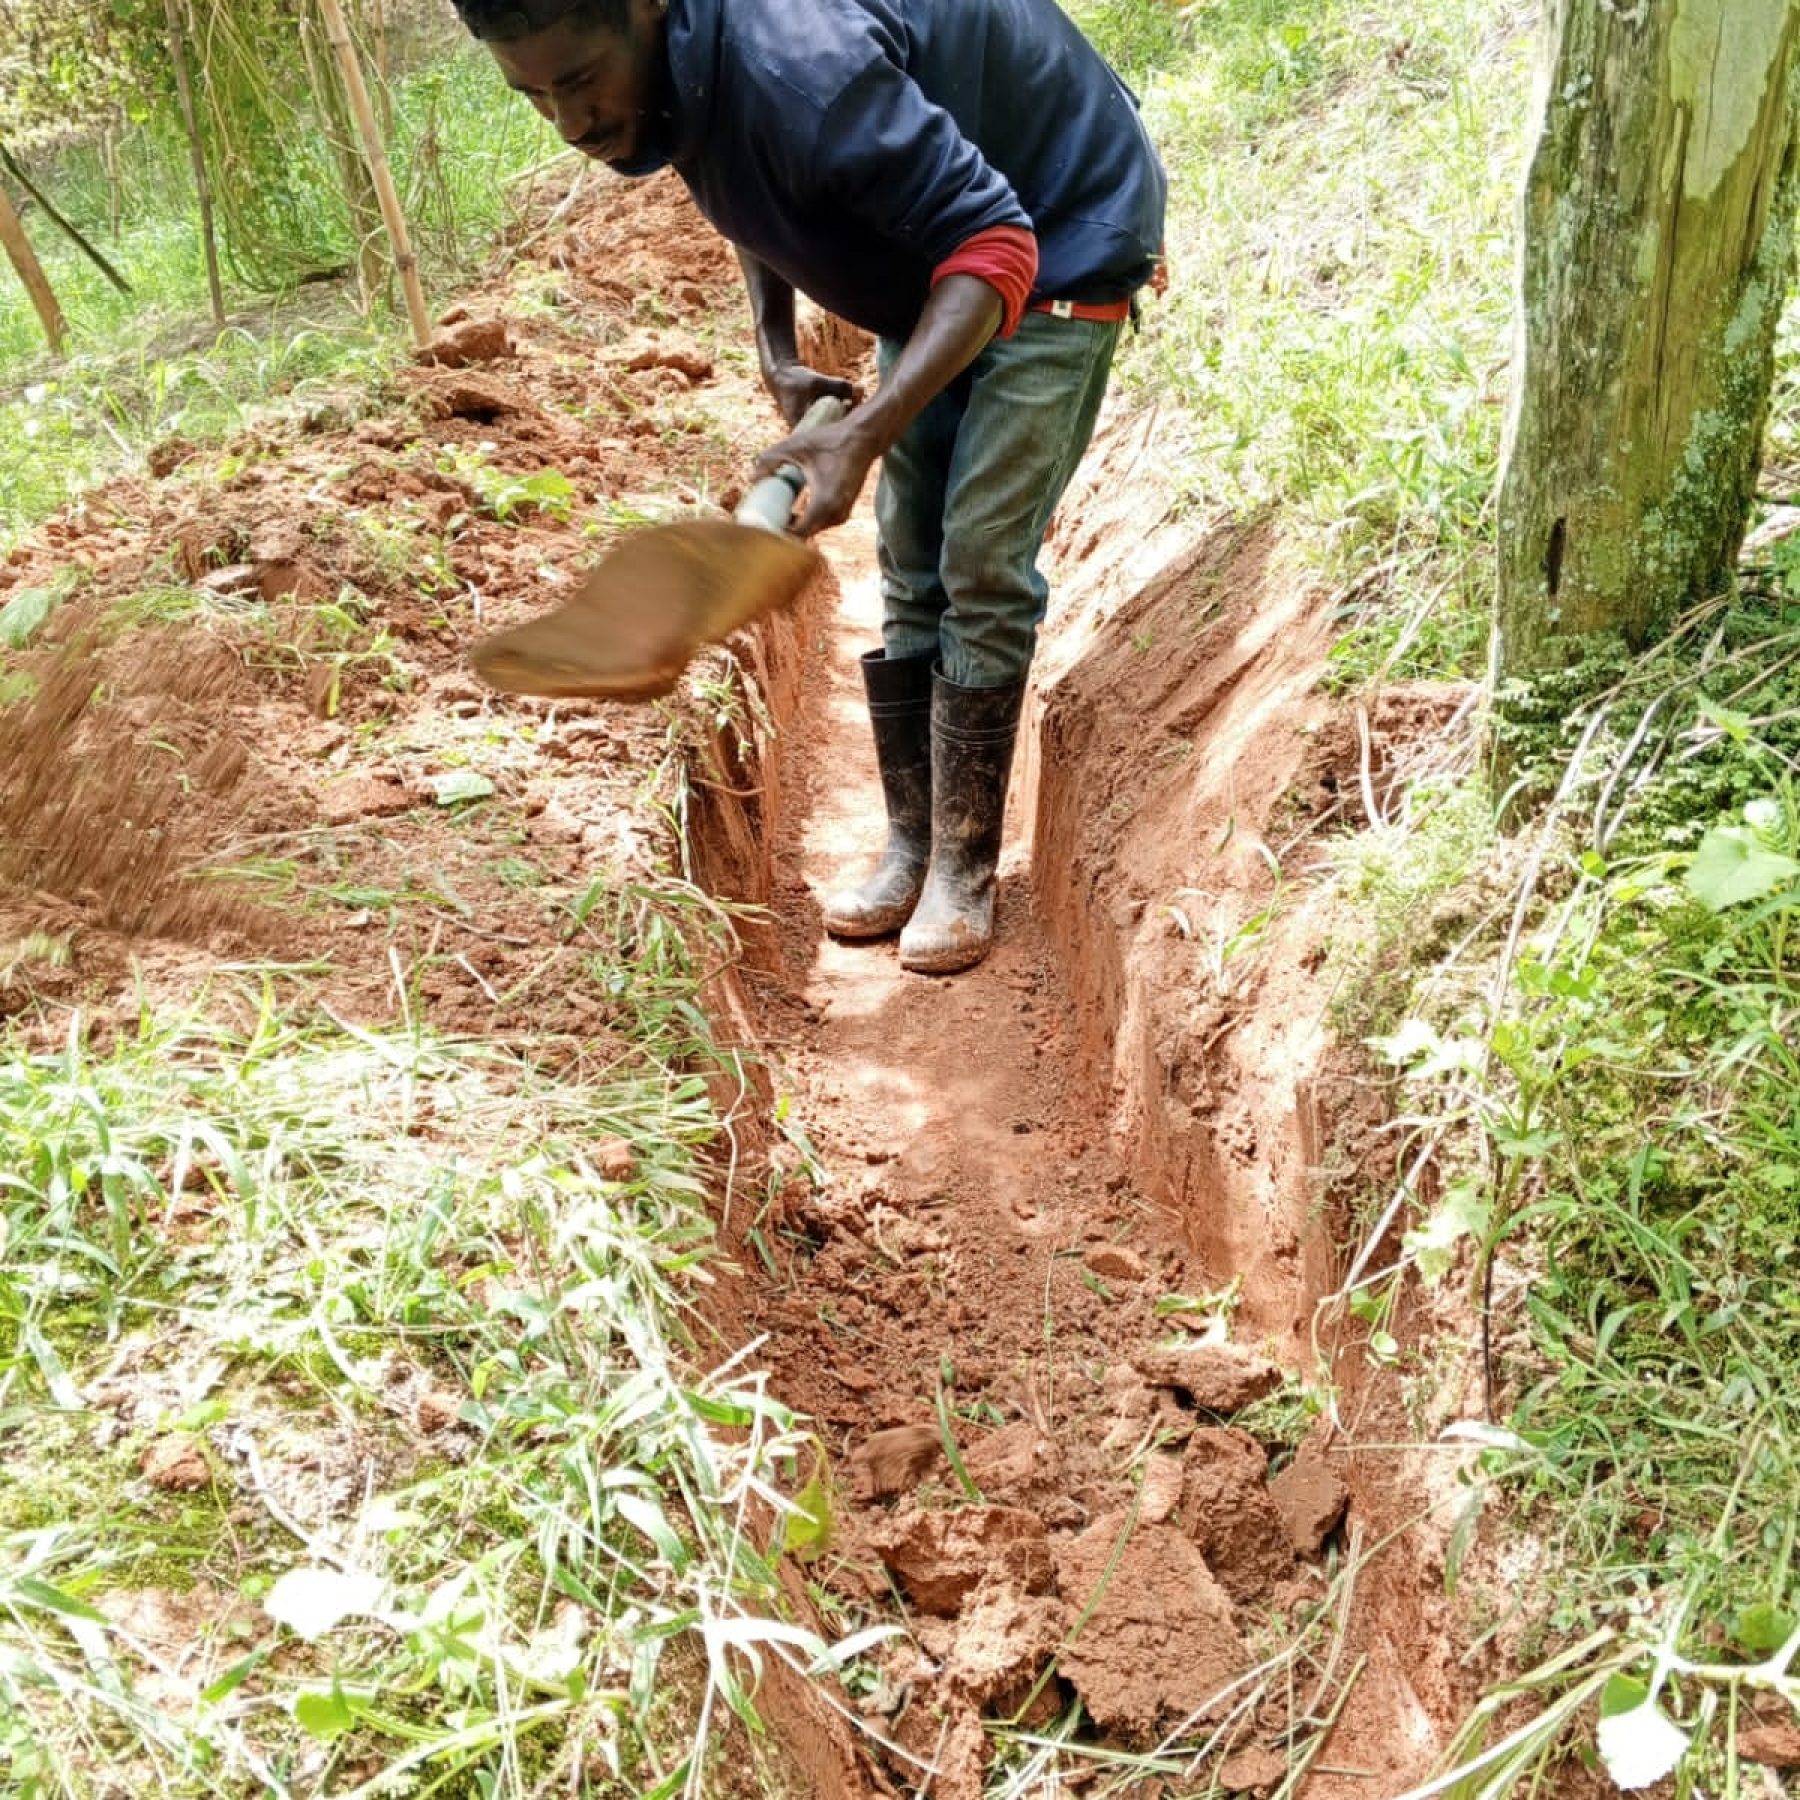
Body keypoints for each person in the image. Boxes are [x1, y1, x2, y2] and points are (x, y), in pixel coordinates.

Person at [453, 0, 1167, 973]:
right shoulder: (684, 73)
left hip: (1057, 228)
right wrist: (776, 348)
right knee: (911, 560)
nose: (569, 124)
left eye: (578, 81)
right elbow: (743, 173)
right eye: (532, 97)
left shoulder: (803, 72)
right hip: (934, 245)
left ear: (643, 10)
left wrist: (869, 429)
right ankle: (913, 843)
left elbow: (998, 244)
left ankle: (963, 864)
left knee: (980, 560)